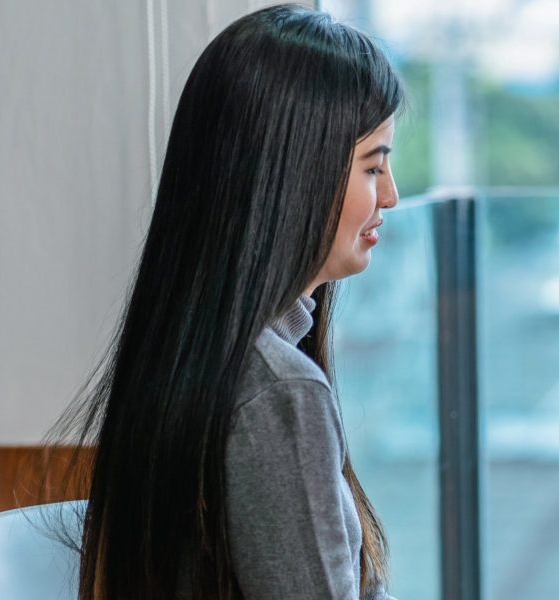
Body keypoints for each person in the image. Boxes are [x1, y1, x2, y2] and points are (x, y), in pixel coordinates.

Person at [53, 5, 402, 598]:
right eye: (373, 166)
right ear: (297, 173)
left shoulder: (185, 358)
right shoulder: (277, 389)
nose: (390, 197)